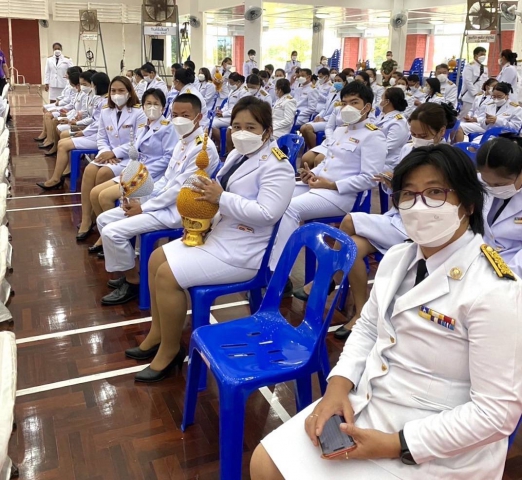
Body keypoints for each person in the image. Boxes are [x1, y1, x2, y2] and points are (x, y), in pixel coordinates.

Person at [252, 143, 522, 480]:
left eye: (435, 192)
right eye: (408, 194)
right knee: (265, 463)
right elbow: (367, 329)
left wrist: (396, 444)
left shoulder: (496, 290)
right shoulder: (398, 258)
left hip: (438, 437)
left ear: (467, 203)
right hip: (372, 400)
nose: (419, 206)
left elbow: (496, 413)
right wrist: (337, 388)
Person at [126, 96, 295, 382]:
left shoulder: (278, 166)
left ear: (267, 131)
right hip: (220, 235)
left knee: (167, 276)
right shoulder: (237, 156)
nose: (242, 133)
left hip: (245, 251)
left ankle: (170, 351)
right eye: (237, 126)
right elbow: (218, 194)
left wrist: (221, 198)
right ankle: (157, 333)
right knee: (155, 259)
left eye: (251, 127)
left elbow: (267, 213)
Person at [297, 102, 454, 339]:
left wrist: (405, 191)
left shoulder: (448, 161)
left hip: (421, 225)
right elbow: (398, 188)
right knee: (352, 247)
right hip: (398, 216)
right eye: (414, 134)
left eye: (423, 135)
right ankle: (360, 311)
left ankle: (328, 277)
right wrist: (392, 183)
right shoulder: (409, 150)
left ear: (441, 131)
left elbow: (442, 202)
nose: (417, 139)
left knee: (349, 221)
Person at [97, 93, 218, 304]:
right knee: (103, 219)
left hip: (178, 211)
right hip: (161, 203)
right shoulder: (183, 141)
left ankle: (133, 282)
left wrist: (144, 208)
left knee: (111, 232)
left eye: (185, 115)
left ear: (198, 117)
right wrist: (140, 197)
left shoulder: (203, 148)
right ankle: (132, 270)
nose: (178, 119)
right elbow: (166, 181)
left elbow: (179, 190)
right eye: (175, 114)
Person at [269, 82, 387, 288]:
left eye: (354, 102)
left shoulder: (373, 135)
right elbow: (328, 162)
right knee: (275, 198)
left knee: (289, 209)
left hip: (342, 195)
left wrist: (332, 185)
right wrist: (311, 174)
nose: (347, 107)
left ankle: (277, 273)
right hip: (321, 186)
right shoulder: (341, 131)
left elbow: (370, 178)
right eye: (344, 103)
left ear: (367, 107)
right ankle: (264, 258)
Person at [87, 88, 178, 253]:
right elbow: (135, 150)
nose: (152, 107)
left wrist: (140, 172)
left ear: (163, 107)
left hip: (151, 175)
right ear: (143, 106)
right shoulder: (144, 126)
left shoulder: (167, 128)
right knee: (94, 193)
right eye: (148, 103)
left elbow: (167, 159)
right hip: (135, 171)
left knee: (105, 197)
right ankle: (107, 235)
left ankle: (116, 239)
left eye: (156, 104)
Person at [75, 76, 146, 241]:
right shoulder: (106, 111)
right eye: (113, 91)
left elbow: (138, 141)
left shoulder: (139, 113)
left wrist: (114, 153)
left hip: (128, 158)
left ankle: (101, 223)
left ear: (129, 92)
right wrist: (106, 152)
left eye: (121, 90)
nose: (116, 94)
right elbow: (101, 137)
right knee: (89, 170)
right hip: (108, 155)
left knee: (103, 173)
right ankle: (87, 219)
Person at [35, 72, 110, 190]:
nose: (91, 87)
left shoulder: (105, 102)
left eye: (91, 85)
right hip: (92, 131)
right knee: (62, 142)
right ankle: (62, 172)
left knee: (63, 144)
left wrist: (82, 130)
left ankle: (56, 179)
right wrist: (78, 123)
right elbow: (92, 117)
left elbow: (99, 123)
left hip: (98, 136)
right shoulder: (99, 99)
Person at [300, 73, 346, 149]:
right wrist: (318, 116)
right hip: (323, 118)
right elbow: (325, 108)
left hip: (332, 122)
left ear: (344, 82)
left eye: (339, 81)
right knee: (302, 128)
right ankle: (310, 148)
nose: (336, 82)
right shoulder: (332, 92)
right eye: (335, 81)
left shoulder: (345, 96)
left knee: (308, 128)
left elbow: (337, 112)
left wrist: (324, 119)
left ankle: (314, 149)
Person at [375, 87, 410, 170]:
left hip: (388, 163)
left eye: (382, 98)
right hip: (377, 158)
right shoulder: (383, 115)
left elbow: (388, 147)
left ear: (387, 102)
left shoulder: (399, 122)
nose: (380, 101)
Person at [211, 72, 249, 148]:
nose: (230, 85)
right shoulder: (233, 90)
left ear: (238, 82)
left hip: (236, 116)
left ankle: (223, 145)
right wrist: (221, 111)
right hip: (228, 114)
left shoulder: (244, 92)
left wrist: (223, 114)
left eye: (231, 82)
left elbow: (239, 108)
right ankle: (219, 145)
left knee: (213, 124)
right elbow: (227, 104)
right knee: (211, 119)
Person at [460, 46, 489, 118]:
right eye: (481, 54)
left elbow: (486, 82)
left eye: (484, 54)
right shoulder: (469, 66)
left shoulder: (484, 68)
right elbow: (468, 81)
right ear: (476, 55)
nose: (483, 56)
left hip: (480, 97)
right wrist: (475, 93)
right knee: (464, 117)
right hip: (469, 97)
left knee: (475, 117)